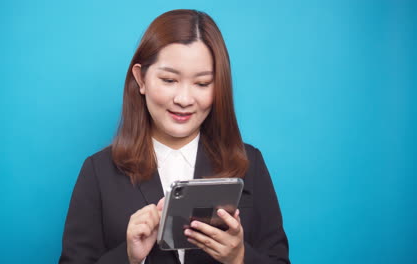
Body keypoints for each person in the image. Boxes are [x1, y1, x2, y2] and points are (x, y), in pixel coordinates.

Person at [59, 9, 290, 264]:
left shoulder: (250, 164)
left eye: (202, 84)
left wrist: (239, 258)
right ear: (141, 79)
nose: (183, 100)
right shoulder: (98, 171)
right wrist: (128, 257)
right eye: (169, 80)